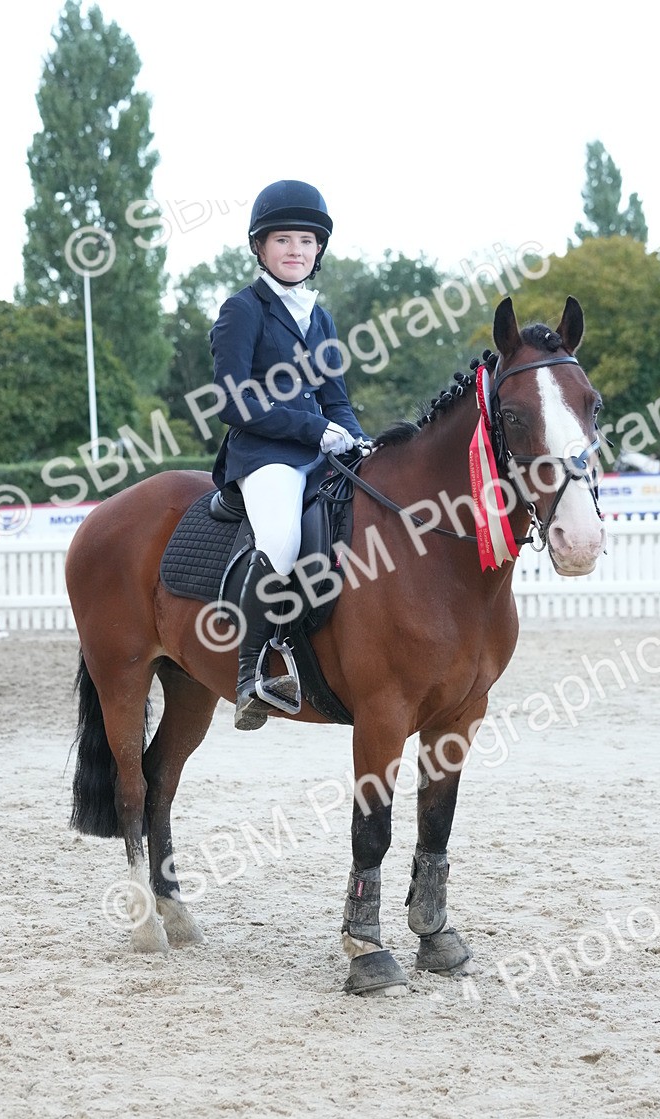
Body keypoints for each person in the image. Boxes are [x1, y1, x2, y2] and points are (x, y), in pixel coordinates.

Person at [210, 179, 368, 732]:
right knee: (281, 538)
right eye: (283, 239)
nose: (296, 250)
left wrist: (359, 440)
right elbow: (233, 400)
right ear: (260, 247)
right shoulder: (242, 310)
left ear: (319, 249)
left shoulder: (319, 318)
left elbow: (337, 400)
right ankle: (250, 672)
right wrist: (313, 429)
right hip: (264, 456)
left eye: (306, 240)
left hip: (318, 451)